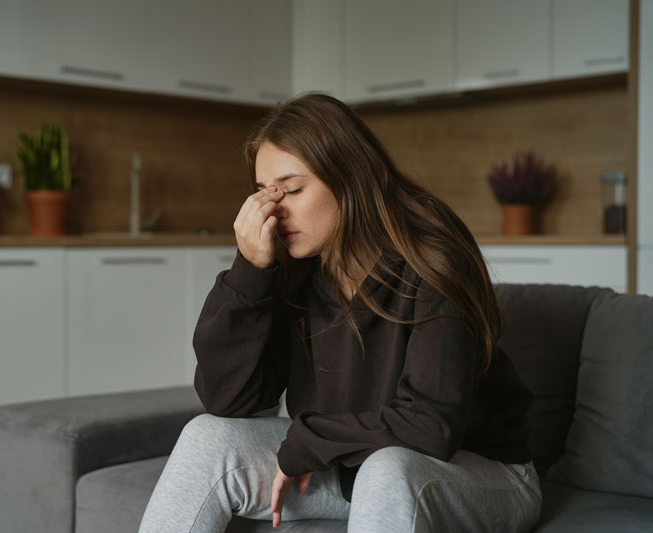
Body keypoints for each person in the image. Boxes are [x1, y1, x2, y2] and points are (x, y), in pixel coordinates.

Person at [139, 93, 542, 532]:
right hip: (348, 464)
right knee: (206, 436)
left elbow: (431, 425)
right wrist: (251, 270)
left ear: (348, 175)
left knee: (385, 470)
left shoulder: (431, 250)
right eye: (264, 193)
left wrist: (309, 440)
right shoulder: (294, 264)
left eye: (292, 189)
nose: (275, 210)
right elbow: (229, 401)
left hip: (476, 473)